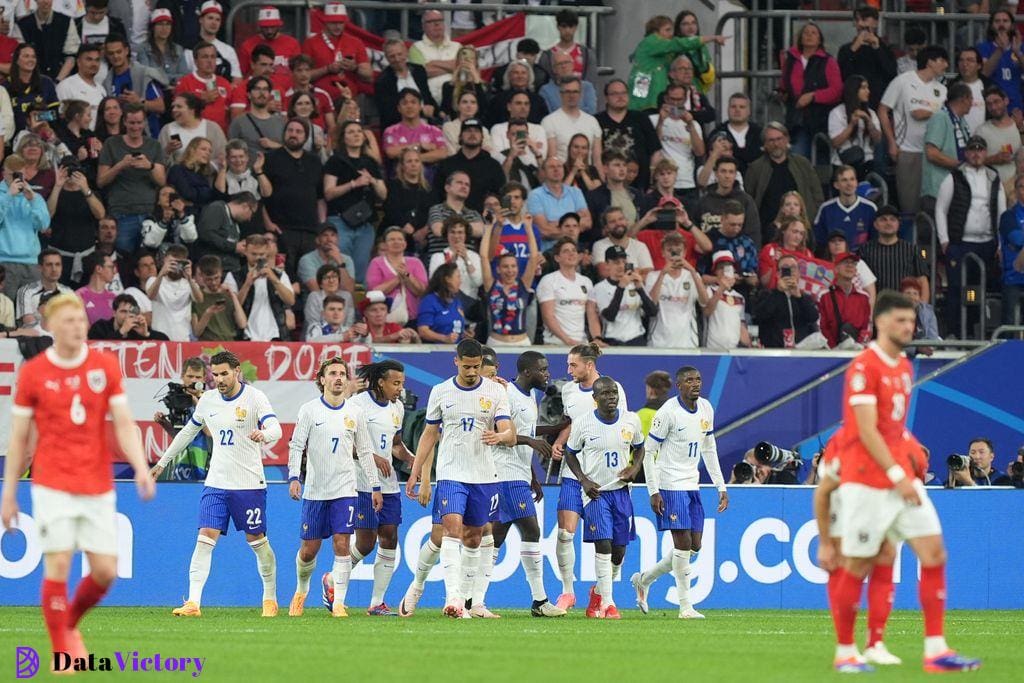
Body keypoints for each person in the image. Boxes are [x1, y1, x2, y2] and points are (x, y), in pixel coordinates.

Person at [827, 292, 981, 673]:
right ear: (879, 322)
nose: (908, 327)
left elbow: (893, 430)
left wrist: (907, 459)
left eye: (911, 321)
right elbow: (865, 430)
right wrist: (898, 475)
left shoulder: (904, 368)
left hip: (899, 483)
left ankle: (936, 651)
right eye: (900, 320)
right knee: (858, 566)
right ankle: (846, 652)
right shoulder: (864, 367)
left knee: (934, 554)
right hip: (867, 483)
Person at [1, 293, 153, 669]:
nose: (77, 327)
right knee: (59, 565)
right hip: (52, 483)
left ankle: (69, 624)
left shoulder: (104, 367)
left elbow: (124, 424)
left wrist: (141, 466)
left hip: (97, 484)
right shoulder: (35, 372)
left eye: (81, 321)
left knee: (105, 570)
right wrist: (9, 493)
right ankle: (62, 652)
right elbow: (20, 437)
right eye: (68, 321)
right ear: (51, 326)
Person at [151, 351, 283, 618]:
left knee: (256, 540)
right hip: (217, 483)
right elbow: (189, 432)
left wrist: (264, 434)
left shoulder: (255, 398)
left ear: (237, 371)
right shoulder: (208, 400)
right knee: (204, 538)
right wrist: (162, 463)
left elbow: (276, 428)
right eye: (216, 374)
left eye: (224, 373)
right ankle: (194, 603)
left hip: (248, 484)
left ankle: (269, 596)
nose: (219, 379)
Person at [403, 338, 514, 618]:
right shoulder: (441, 391)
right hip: (451, 473)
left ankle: (468, 601)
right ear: (456, 362)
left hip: (484, 475)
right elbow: (430, 433)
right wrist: (416, 472)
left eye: (476, 366)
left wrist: (500, 436)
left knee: (474, 538)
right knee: (451, 530)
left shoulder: (495, 391)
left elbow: (509, 433)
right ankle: (452, 598)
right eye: (467, 366)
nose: (472, 371)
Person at [286, 356, 380, 618]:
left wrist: (375, 486)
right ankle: (301, 590)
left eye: (342, 373)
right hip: (315, 491)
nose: (338, 378)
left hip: (346, 489)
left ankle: (339, 602)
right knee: (309, 550)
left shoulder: (355, 412)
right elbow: (296, 445)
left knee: (342, 543)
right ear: (322, 380)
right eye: (333, 373)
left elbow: (364, 450)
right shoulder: (309, 410)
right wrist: (294, 476)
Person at [632, 366, 728, 619]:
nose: (695, 384)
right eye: (689, 380)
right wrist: (653, 491)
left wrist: (721, 485)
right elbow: (649, 452)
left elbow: (709, 448)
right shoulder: (668, 413)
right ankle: (685, 606)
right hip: (669, 483)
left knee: (694, 546)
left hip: (691, 484)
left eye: (698, 379)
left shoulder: (706, 408)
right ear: (679, 385)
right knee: (682, 543)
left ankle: (644, 579)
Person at [550, 344, 629, 611]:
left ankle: (600, 591)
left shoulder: (613, 389)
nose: (568, 370)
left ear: (589, 365)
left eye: (573, 365)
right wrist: (560, 442)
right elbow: (573, 424)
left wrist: (626, 469)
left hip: (604, 480)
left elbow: (622, 427)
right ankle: (567, 592)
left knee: (615, 547)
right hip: (574, 473)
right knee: (564, 532)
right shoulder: (569, 390)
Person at [488, 351, 566, 617]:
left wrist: (532, 476)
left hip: (519, 474)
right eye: (543, 369)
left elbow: (529, 432)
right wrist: (531, 442)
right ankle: (540, 601)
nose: (548, 374)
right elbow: (499, 432)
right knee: (530, 532)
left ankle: (470, 598)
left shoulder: (529, 396)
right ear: (527, 371)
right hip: (505, 472)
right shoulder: (506, 394)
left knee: (495, 538)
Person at [335, 360, 416, 616]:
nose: (399, 389)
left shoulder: (398, 408)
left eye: (402, 384)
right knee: (366, 543)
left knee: (390, 537)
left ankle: (377, 603)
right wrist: (372, 456)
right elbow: (346, 445)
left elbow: (395, 444)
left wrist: (414, 460)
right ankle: (333, 579)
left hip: (389, 485)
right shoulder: (358, 404)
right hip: (361, 483)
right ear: (380, 381)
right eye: (395, 383)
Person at [813, 436, 903, 667]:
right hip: (844, 482)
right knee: (841, 559)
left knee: (887, 553)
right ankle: (846, 648)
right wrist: (825, 543)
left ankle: (875, 644)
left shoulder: (892, 436)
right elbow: (823, 493)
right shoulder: (847, 441)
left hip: (873, 482)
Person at [563, 375, 644, 620]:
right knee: (604, 544)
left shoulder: (631, 420)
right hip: (595, 494)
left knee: (619, 551)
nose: (611, 398)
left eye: (614, 393)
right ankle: (609, 604)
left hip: (621, 492)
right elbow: (570, 454)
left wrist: (635, 467)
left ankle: (598, 592)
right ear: (595, 398)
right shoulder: (584, 423)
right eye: (606, 394)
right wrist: (584, 480)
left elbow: (640, 447)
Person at [935, 135, 1005, 334]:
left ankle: (975, 332)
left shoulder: (993, 177)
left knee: (976, 290)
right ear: (966, 153)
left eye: (980, 150)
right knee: (957, 289)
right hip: (960, 244)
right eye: (972, 150)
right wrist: (944, 240)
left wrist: (999, 243)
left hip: (986, 244)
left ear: (985, 153)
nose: (976, 154)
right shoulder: (954, 176)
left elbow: (1001, 211)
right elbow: (941, 209)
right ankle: (954, 333)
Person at [879, 45, 949, 216]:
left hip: (932, 153)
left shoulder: (942, 89)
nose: (946, 65)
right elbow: (882, 110)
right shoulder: (903, 81)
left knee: (933, 205)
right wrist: (891, 143)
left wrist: (927, 113)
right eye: (942, 60)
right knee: (909, 206)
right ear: (930, 61)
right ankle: (909, 241)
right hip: (908, 150)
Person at [96, 103, 166, 253]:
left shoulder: (154, 146)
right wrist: (120, 165)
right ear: (124, 122)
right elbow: (101, 181)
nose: (135, 127)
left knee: (148, 257)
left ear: (144, 123)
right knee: (123, 257)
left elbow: (161, 181)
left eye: (139, 123)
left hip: (149, 213)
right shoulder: (112, 143)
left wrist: (150, 166)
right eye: (132, 123)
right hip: (121, 213)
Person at [323, 121, 386, 283]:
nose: (356, 134)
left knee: (361, 270)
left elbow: (383, 194)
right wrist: (353, 184)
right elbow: (328, 193)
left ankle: (358, 306)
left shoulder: (370, 163)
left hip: (364, 224)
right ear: (343, 138)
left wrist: (372, 180)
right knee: (340, 266)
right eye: (351, 132)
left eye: (359, 131)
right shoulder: (335, 161)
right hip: (340, 221)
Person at [262, 118, 326, 276]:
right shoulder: (270, 158)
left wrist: (321, 223)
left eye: (298, 132)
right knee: (282, 273)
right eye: (290, 130)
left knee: (309, 275)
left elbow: (320, 196)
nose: (293, 134)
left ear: (305, 137)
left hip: (310, 230)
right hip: (282, 228)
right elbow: (259, 196)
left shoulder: (314, 161)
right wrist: (268, 223)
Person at [746, 122, 824, 246]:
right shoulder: (755, 168)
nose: (776, 144)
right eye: (771, 140)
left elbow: (817, 195)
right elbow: (749, 198)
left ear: (787, 139)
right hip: (767, 234)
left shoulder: (802, 164)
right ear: (765, 144)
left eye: (779, 139)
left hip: (800, 232)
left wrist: (810, 221)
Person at [626, 14, 723, 113]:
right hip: (645, 90)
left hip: (644, 86)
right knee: (643, 113)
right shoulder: (652, 41)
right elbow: (677, 44)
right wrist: (710, 38)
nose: (671, 34)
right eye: (667, 30)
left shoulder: (658, 47)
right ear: (656, 31)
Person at [778, 22, 843, 158]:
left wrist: (813, 96)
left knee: (818, 159)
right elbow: (784, 84)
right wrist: (782, 94)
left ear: (820, 40)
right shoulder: (791, 60)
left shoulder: (828, 61)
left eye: (814, 33)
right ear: (800, 38)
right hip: (797, 119)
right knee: (797, 157)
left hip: (820, 119)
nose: (809, 35)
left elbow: (836, 90)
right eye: (806, 33)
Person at [480, 216, 541, 346]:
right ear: (498, 269)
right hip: (496, 343)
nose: (510, 270)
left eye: (513, 266)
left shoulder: (523, 285)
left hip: (522, 343)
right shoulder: (491, 285)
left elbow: (533, 257)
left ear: (518, 269)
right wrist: (488, 228)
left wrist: (528, 228)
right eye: (505, 266)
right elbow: (484, 257)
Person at [223, 234, 295, 341]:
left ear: (267, 253)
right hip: (246, 336)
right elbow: (231, 308)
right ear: (245, 252)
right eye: (254, 254)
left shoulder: (280, 275)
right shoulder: (234, 276)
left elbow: (290, 301)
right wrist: (247, 284)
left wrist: (274, 280)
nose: (258, 258)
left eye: (261, 254)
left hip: (275, 336)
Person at [645, 232, 708, 349]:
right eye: (670, 250)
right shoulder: (653, 276)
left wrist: (693, 271)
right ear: (663, 253)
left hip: (687, 342)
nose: (674, 254)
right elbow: (651, 304)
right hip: (658, 342)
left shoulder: (692, 276)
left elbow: (704, 302)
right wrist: (663, 274)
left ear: (684, 253)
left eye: (678, 251)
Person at [0, 155, 51, 299]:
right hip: (3, 262)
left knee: (31, 315)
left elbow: (43, 225)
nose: (16, 179)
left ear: (25, 173)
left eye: (19, 174)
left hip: (31, 262)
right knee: (4, 313)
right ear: (4, 173)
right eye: (13, 175)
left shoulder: (34, 196)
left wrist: (33, 200)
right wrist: (8, 196)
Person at [588, 244, 657, 347]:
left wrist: (640, 289)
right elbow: (610, 316)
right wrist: (620, 288)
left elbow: (652, 312)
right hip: (612, 340)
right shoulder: (600, 287)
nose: (621, 266)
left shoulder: (635, 284)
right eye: (616, 262)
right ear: (607, 264)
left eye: (624, 262)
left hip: (636, 339)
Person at [597, 79, 661, 189]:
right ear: (606, 98)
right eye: (615, 93)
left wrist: (652, 182)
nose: (620, 96)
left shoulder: (641, 118)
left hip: (641, 185)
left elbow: (655, 151)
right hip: (608, 185)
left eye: (623, 93)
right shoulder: (597, 121)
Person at [436, 117, 505, 213]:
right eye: (468, 131)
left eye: (476, 131)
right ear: (460, 137)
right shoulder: (446, 164)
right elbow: (436, 195)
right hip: (451, 220)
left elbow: (501, 196)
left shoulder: (493, 166)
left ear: (482, 137)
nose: (472, 134)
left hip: (484, 221)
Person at [101, 35, 166, 136]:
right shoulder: (106, 82)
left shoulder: (144, 74)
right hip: (122, 139)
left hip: (148, 136)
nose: (115, 56)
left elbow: (160, 106)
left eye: (119, 52)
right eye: (111, 53)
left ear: (126, 51)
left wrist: (139, 102)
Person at [752, 253, 820, 349]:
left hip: (802, 350)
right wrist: (779, 292)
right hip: (775, 351)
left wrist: (799, 297)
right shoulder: (766, 294)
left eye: (793, 268)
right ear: (778, 274)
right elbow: (760, 316)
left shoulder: (805, 297)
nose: (790, 271)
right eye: (786, 268)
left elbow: (813, 317)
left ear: (799, 273)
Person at [858, 205, 929, 296]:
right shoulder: (864, 250)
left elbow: (922, 282)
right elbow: (859, 283)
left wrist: (923, 309)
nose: (888, 223)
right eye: (883, 219)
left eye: (893, 219)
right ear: (875, 225)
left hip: (905, 306)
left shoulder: (912, 250)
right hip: (876, 306)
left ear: (899, 224)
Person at [922, 83, 974, 206]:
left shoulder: (961, 121)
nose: (972, 103)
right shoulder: (940, 117)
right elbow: (932, 154)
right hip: (937, 190)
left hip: (955, 189)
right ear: (964, 98)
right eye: (971, 99)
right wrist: (961, 166)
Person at [836, 5, 896, 111]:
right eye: (857, 20)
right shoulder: (846, 49)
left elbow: (891, 73)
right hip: (852, 104)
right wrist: (854, 48)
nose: (860, 24)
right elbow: (841, 74)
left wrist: (877, 48)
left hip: (878, 103)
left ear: (876, 23)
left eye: (864, 19)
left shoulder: (886, 49)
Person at [536, 237, 593, 347]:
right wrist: (567, 341)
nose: (571, 254)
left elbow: (591, 314)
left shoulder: (586, 282)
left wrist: (596, 338)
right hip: (555, 344)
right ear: (557, 258)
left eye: (573, 250)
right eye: (566, 251)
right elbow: (548, 316)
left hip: (581, 344)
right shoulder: (549, 280)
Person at [366, 226, 428, 326]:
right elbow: (375, 292)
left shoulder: (415, 262)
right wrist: (398, 279)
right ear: (385, 244)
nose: (396, 242)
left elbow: (421, 291)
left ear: (405, 243)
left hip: (412, 317)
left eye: (400, 239)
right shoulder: (376, 262)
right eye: (392, 239)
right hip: (384, 319)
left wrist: (407, 275)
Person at [527, 156, 592, 250]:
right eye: (551, 167)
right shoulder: (535, 195)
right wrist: (573, 225)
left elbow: (587, 222)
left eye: (559, 166)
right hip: (548, 254)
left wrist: (554, 224)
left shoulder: (575, 192)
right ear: (543, 172)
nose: (556, 169)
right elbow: (543, 231)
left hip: (573, 252)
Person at [382, 88, 448, 180]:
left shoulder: (434, 130)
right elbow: (391, 152)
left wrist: (414, 160)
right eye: (404, 103)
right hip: (401, 179)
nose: (409, 106)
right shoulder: (391, 131)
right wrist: (418, 146)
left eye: (413, 102)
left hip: (430, 179)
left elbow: (442, 153)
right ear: (399, 108)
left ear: (420, 106)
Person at [375, 38, 436, 129]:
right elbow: (388, 113)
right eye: (392, 56)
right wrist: (421, 111)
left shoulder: (419, 70)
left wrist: (437, 110)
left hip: (426, 123)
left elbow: (427, 97)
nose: (397, 59)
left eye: (400, 54)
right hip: (398, 127)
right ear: (387, 58)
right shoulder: (382, 81)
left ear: (406, 53)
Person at [542, 75, 602, 166]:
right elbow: (551, 158)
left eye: (575, 92)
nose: (571, 95)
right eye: (567, 92)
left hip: (588, 175)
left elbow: (597, 160)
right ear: (561, 94)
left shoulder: (592, 121)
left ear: (581, 94)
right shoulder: (549, 121)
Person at [978, 9, 1024, 126]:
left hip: (1016, 105)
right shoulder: (983, 47)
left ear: (1012, 25)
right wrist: (1000, 50)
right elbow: (984, 73)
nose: (1001, 24)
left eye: (1005, 21)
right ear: (991, 25)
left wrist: (1018, 52)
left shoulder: (1020, 47)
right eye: (997, 21)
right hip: (992, 106)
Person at [828, 75, 882, 176]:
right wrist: (851, 125)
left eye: (868, 88)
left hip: (867, 161)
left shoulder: (871, 113)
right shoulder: (837, 113)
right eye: (863, 88)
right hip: (843, 163)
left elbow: (878, 139)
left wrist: (868, 120)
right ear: (853, 90)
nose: (868, 91)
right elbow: (835, 143)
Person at [813, 165, 878, 249]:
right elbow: (819, 241)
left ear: (856, 182)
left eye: (852, 179)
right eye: (844, 180)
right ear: (836, 185)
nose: (849, 184)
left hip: (861, 260)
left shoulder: (870, 208)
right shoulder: (826, 209)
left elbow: (875, 239)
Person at [174, 41, 232, 133]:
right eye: (205, 57)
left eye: (213, 57)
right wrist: (200, 100)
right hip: (193, 134)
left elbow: (230, 113)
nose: (210, 61)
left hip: (220, 136)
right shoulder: (184, 82)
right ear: (195, 61)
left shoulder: (225, 83)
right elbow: (177, 113)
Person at [409, 9, 462, 106]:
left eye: (440, 20)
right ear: (423, 26)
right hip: (428, 102)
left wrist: (433, 63)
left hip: (456, 101)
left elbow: (463, 69)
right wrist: (453, 67)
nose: (437, 24)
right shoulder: (416, 47)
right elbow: (421, 73)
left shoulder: (458, 46)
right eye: (431, 22)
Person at [819, 252, 871, 349]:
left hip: (857, 351)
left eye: (853, 263)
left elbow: (867, 327)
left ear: (856, 270)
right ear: (836, 269)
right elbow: (822, 327)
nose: (850, 265)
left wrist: (858, 347)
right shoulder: (824, 295)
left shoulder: (864, 297)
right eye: (846, 262)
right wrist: (834, 349)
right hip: (831, 352)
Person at [159, 93, 228, 165]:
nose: (174, 110)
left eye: (179, 107)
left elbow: (223, 156)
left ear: (192, 110)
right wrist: (168, 151)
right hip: (179, 174)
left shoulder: (212, 128)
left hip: (207, 174)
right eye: (173, 107)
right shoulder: (167, 129)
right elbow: (159, 160)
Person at [227, 76, 285, 159]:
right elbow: (230, 151)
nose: (262, 93)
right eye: (257, 89)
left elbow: (291, 152)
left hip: (276, 170)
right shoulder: (239, 122)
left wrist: (274, 145)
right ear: (249, 95)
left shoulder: (281, 122)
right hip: (249, 170)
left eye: (265, 89)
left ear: (269, 94)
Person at [191, 254, 247, 342]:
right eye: (209, 279)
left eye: (216, 278)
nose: (213, 282)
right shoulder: (197, 297)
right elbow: (196, 332)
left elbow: (242, 324)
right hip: (207, 344)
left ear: (221, 272)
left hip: (229, 343)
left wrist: (233, 296)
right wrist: (208, 313)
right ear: (201, 275)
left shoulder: (228, 294)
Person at [976, 85, 1019, 197]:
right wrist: (994, 159)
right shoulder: (981, 131)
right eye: (989, 104)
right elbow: (972, 161)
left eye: (996, 102)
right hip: (992, 190)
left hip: (1017, 190)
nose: (993, 107)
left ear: (1006, 101)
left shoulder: (1018, 126)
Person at [238, 6, 301, 80]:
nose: (269, 31)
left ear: (279, 26)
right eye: (265, 27)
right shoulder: (247, 45)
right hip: (258, 88)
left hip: (287, 89)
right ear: (260, 26)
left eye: (272, 27)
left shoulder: (292, 43)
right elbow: (241, 74)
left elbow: (299, 71)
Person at [704, 251, 750, 349]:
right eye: (721, 267)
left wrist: (750, 344)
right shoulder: (710, 289)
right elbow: (707, 312)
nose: (725, 271)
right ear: (715, 271)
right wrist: (721, 288)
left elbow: (741, 324)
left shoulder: (740, 297)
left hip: (733, 349)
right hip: (712, 348)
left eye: (729, 267)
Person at [539, 9, 598, 85]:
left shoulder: (587, 54)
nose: (567, 30)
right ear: (558, 27)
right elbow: (544, 83)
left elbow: (591, 83)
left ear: (576, 27)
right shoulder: (547, 56)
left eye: (571, 26)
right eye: (564, 26)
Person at [709, 93, 763, 174]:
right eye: (733, 106)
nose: (737, 110)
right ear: (728, 109)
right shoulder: (716, 134)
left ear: (749, 111)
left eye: (742, 107)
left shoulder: (760, 133)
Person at [136, 8, 190, 85]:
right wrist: (174, 79)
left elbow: (185, 76)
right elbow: (147, 75)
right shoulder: (143, 49)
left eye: (168, 24)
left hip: (176, 91)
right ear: (153, 27)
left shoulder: (178, 49)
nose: (164, 28)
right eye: (160, 24)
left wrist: (161, 78)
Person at [758, 216, 814, 289]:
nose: (798, 237)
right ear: (783, 230)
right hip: (774, 294)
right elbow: (764, 282)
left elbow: (812, 281)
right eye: (794, 232)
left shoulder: (807, 254)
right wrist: (775, 263)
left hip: (799, 295)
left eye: (801, 234)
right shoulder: (770, 250)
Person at [998, 174, 1024, 325]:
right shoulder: (1008, 216)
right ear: (1016, 191)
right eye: (1022, 186)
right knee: (1011, 325)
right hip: (1014, 278)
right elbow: (1017, 239)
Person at [87, 292, 168, 340]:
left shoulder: (136, 330)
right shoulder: (100, 327)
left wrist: (146, 334)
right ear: (114, 313)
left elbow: (165, 340)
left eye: (131, 312)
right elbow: (97, 347)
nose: (127, 316)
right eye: (123, 311)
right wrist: (121, 331)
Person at [440, 44, 488, 121]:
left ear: (476, 62)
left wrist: (475, 78)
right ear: (458, 61)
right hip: (455, 123)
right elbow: (445, 110)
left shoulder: (485, 85)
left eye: (471, 58)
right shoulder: (448, 85)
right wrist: (453, 80)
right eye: (463, 58)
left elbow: (484, 108)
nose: (467, 61)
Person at [540, 50, 596, 116]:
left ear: (572, 65)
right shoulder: (545, 90)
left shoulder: (587, 87)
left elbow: (591, 111)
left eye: (566, 62)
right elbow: (549, 115)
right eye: (559, 64)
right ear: (554, 69)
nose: (563, 66)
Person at [949, 437, 1015, 487]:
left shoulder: (1002, 480)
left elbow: (991, 503)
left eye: (981, 452)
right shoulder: (960, 479)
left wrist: (968, 482)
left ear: (991, 456)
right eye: (973, 452)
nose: (977, 457)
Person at [951, 47, 987, 134]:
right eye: (961, 60)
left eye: (970, 60)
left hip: (983, 141)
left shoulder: (988, 87)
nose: (965, 64)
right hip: (958, 139)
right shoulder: (951, 88)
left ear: (979, 65)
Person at [901, 277, 940, 343]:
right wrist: (916, 349)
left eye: (915, 294)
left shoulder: (928, 312)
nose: (912, 297)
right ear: (901, 296)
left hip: (925, 350)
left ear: (919, 297)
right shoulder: (894, 312)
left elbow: (933, 338)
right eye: (908, 293)